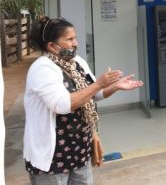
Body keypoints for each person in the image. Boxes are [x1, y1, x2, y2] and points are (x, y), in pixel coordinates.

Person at [24, 16, 143, 184]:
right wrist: (99, 83)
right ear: (52, 46)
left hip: (79, 149)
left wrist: (115, 86)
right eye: (70, 39)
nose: (76, 43)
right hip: (52, 158)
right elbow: (62, 104)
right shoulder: (42, 68)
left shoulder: (77, 62)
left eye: (75, 38)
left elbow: (93, 94)